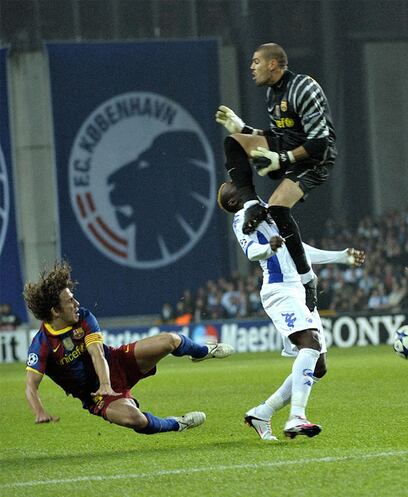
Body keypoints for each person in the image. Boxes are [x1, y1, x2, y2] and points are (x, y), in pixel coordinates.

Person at [217, 181, 364, 441]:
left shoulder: (267, 212)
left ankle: (262, 412)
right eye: (239, 188)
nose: (248, 188)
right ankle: (297, 416)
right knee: (310, 342)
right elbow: (252, 252)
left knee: (318, 366)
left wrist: (340, 257)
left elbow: (298, 251)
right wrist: (268, 247)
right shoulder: (243, 217)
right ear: (233, 201)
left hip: (299, 287)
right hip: (280, 290)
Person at [23, 261, 233, 434]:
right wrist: (39, 411)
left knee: (170, 340)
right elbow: (31, 386)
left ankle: (204, 351)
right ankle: (178, 423)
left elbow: (97, 354)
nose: (76, 303)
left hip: (115, 362)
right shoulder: (41, 345)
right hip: (95, 395)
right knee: (135, 419)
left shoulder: (84, 317)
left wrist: (106, 382)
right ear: (55, 311)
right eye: (69, 301)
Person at [215, 42, 337, 312]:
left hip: (315, 159)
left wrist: (283, 159)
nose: (251, 67)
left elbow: (320, 143)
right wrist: (244, 128)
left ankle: (307, 280)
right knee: (233, 142)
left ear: (273, 64)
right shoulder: (272, 94)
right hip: (290, 149)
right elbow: (281, 136)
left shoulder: (304, 88)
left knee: (279, 208)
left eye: (256, 62)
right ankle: (251, 205)